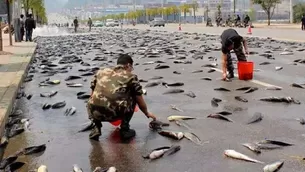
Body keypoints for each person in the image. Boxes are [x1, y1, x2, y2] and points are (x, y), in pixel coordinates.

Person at [87, 54, 157, 141]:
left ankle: (96, 127)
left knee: (94, 99)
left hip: (94, 113)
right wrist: (147, 113)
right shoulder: (131, 77)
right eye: (131, 68)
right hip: (114, 113)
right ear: (128, 65)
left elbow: (92, 94)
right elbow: (139, 99)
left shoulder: (100, 72)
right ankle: (125, 129)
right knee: (134, 96)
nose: (131, 70)